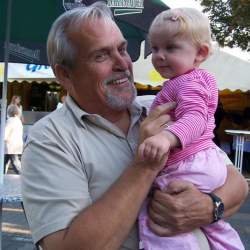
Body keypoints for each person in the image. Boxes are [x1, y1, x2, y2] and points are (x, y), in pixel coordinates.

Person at [21, 3, 248, 250]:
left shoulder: (159, 106)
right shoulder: (50, 140)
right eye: (101, 55)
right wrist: (144, 166)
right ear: (65, 75)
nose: (122, 63)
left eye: (122, 49)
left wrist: (209, 207)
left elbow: (236, 183)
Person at [138, 8, 244, 250]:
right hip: (204, 161)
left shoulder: (188, 83)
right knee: (210, 225)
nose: (160, 56)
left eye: (171, 48)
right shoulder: (186, 81)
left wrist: (166, 138)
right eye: (155, 48)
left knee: (159, 218)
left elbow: (195, 118)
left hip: (187, 164)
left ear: (201, 53)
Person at [4, 104, 23, 174]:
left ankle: (22, 174)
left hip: (10, 145)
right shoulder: (18, 121)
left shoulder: (10, 121)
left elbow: (5, 133)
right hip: (16, 144)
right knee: (4, 161)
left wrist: (4, 139)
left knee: (15, 163)